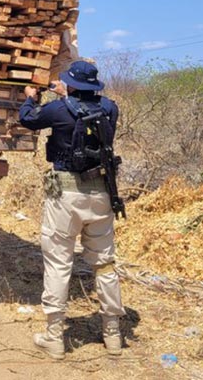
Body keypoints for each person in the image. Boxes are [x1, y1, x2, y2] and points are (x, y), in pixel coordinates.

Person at [19, 60, 125, 359]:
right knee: (104, 263)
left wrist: (31, 96)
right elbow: (87, 111)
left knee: (58, 263)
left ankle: (54, 338)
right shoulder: (110, 108)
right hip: (102, 195)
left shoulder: (60, 109)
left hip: (65, 196)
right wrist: (68, 93)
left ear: (71, 84)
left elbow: (27, 119)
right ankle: (113, 335)